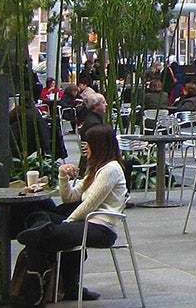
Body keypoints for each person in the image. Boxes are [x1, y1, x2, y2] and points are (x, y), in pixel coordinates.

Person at [16, 125, 128, 306]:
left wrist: (67, 223)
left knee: (43, 236)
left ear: (98, 145)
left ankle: (36, 293)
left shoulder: (111, 169)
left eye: (88, 144)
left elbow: (89, 204)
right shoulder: (96, 169)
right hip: (86, 223)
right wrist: (63, 175)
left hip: (101, 228)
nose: (85, 148)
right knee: (42, 219)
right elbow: (70, 198)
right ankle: (65, 287)